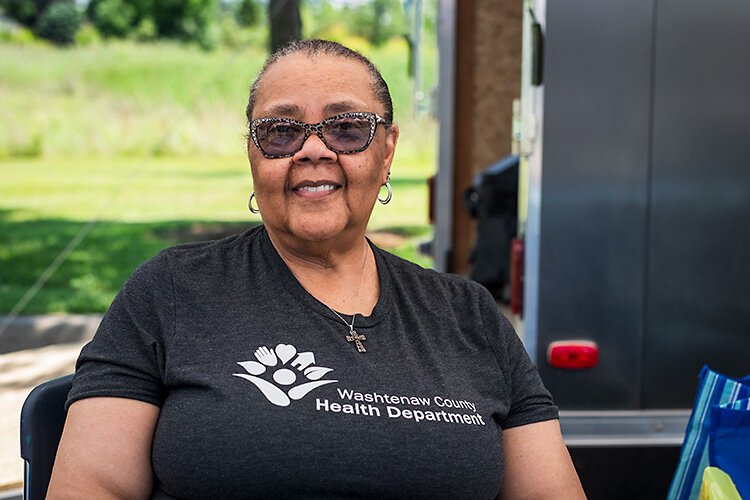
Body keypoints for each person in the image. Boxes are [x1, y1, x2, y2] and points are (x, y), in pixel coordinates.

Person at [48, 40, 584, 499]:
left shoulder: (467, 312)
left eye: (347, 129)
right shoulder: (170, 291)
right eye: (280, 131)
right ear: (253, 155)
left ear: (388, 150)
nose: (312, 150)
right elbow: (93, 486)